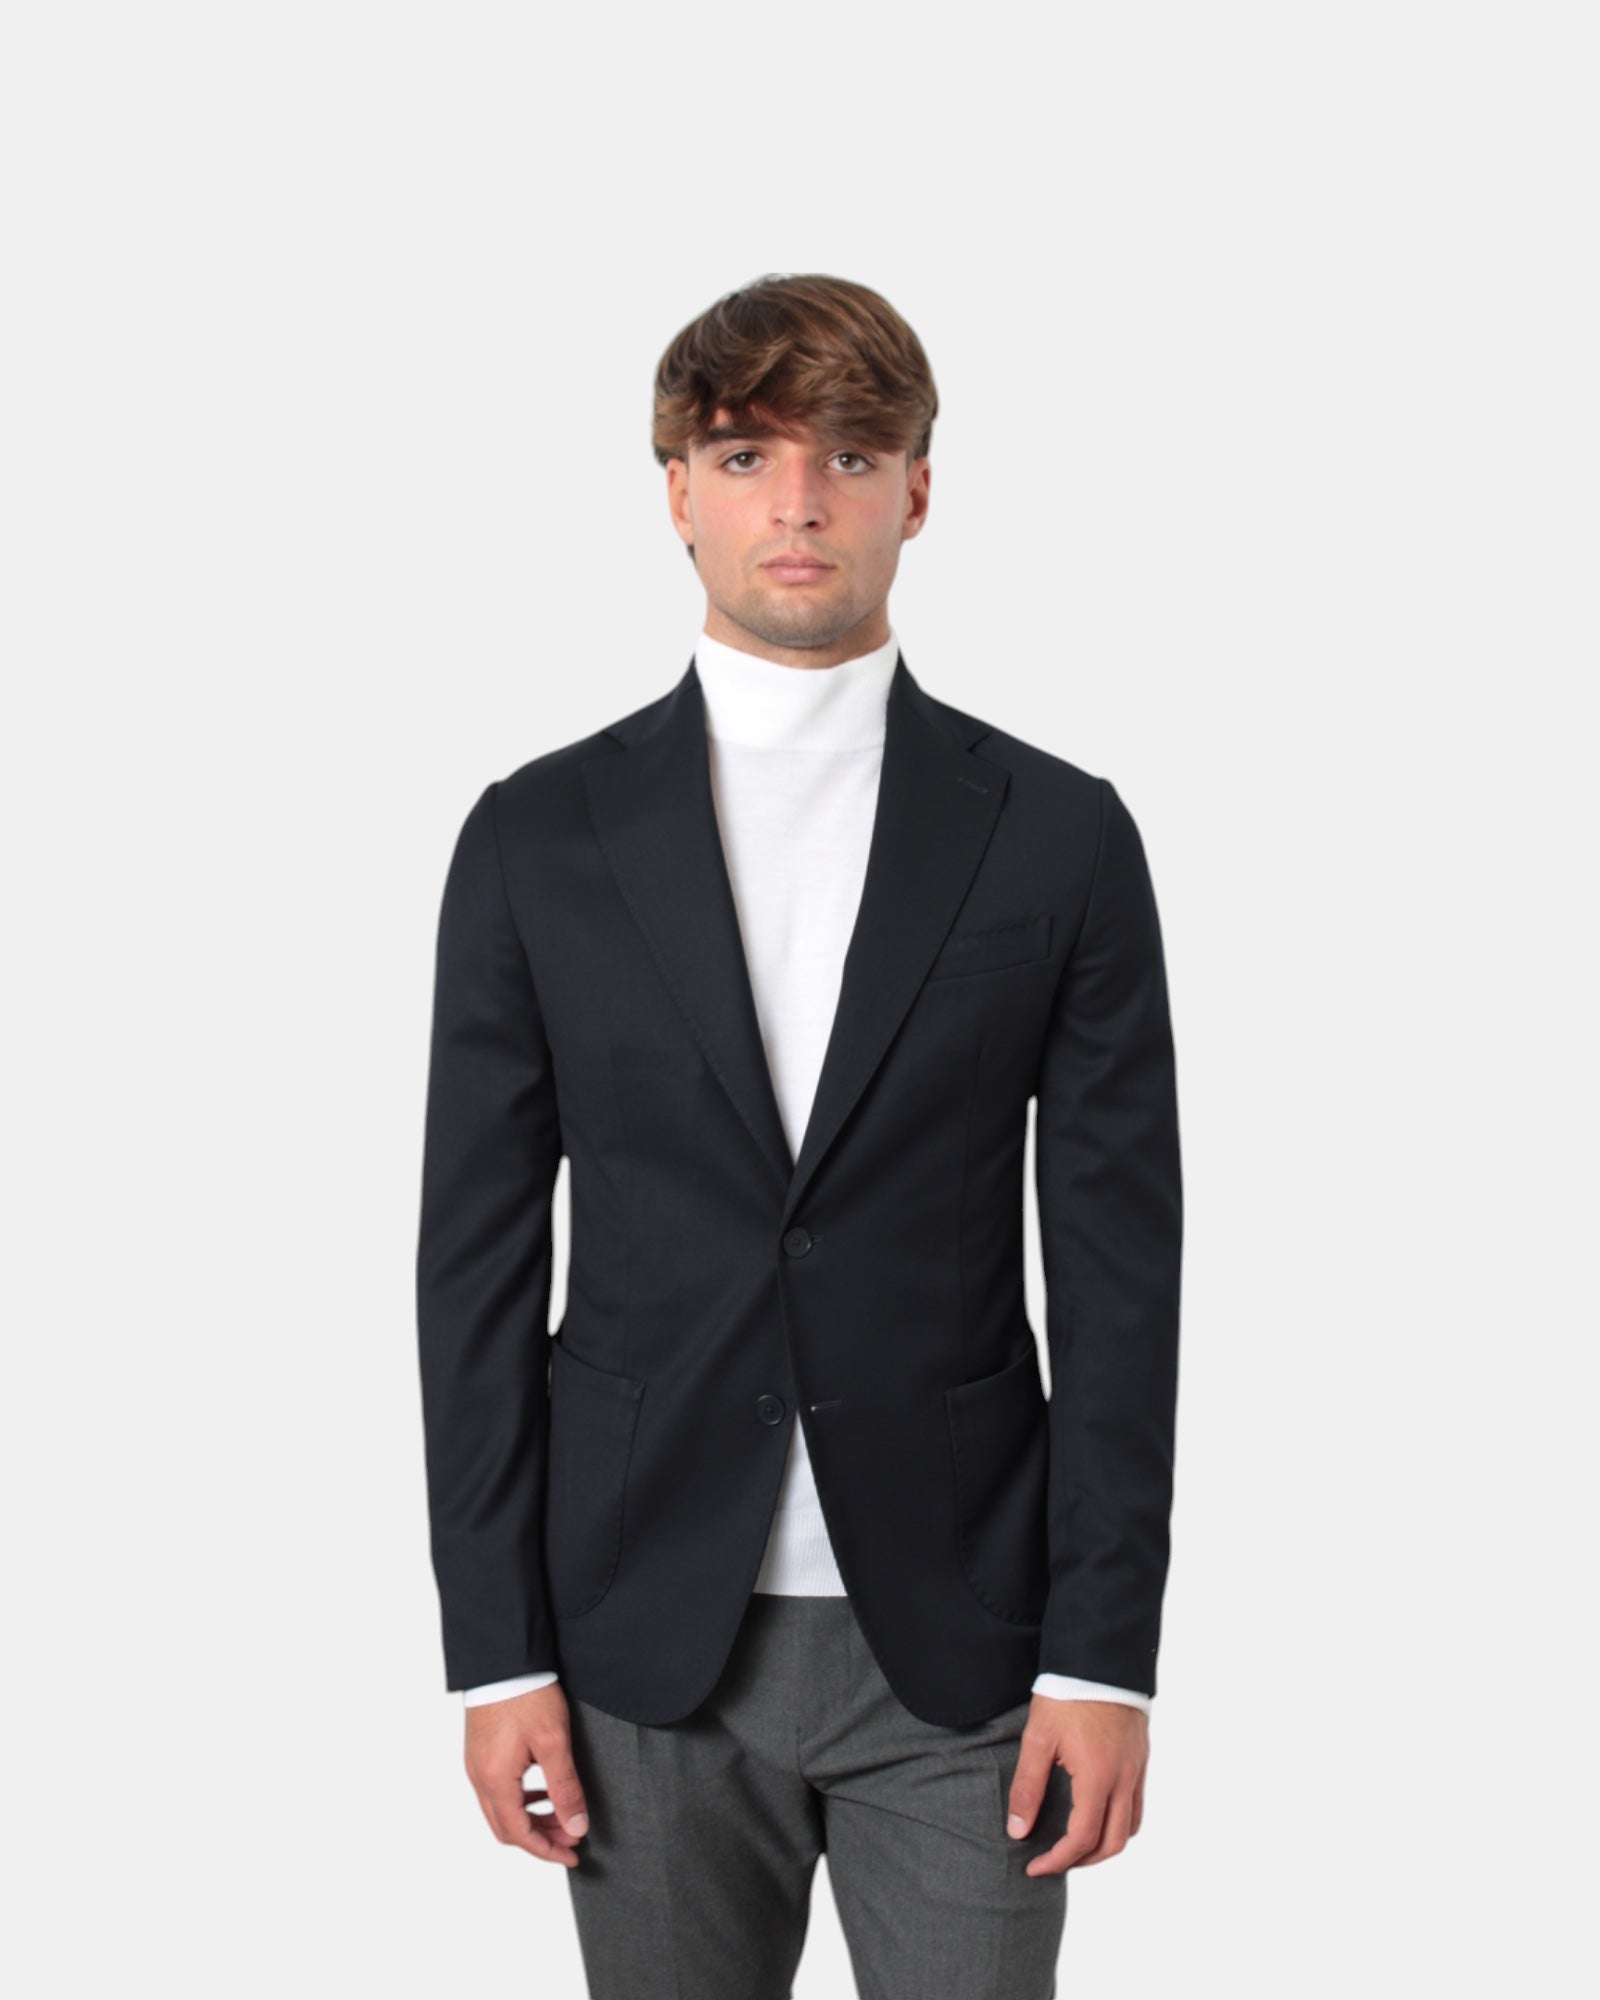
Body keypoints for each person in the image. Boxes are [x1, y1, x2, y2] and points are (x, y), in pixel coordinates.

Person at [415, 271, 1183, 1998]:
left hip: (972, 1648)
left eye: (850, 454)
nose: (800, 501)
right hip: (636, 1639)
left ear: (919, 490)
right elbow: (471, 1269)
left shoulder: (1059, 836)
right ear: (676, 491)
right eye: (747, 454)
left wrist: (1104, 1658)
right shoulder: (537, 838)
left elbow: (1123, 1276)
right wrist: (494, 1655)